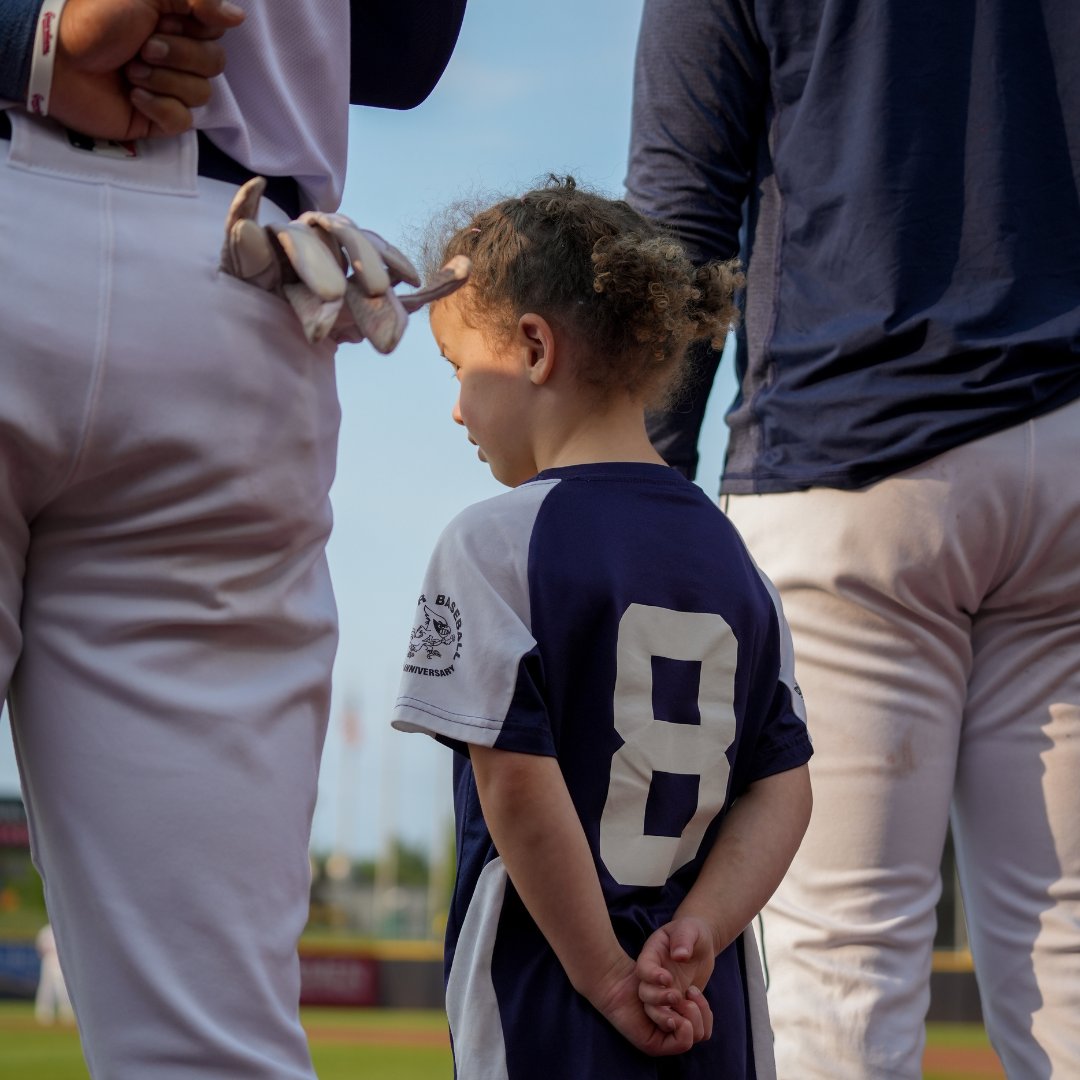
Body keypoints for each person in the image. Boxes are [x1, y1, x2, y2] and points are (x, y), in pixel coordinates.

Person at [1, 1, 466, 1076]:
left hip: (227, 256)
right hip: (236, 265)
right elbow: (403, 48)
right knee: (209, 1049)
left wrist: (32, 36)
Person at [625, 1, 1080, 1077]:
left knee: (838, 1005)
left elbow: (676, 219)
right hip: (1068, 451)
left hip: (848, 459)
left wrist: (640, 518)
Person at [391, 176, 813, 1078]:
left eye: (460, 371)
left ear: (534, 349)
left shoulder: (492, 544)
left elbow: (515, 785)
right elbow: (785, 790)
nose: (458, 409)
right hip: (707, 1013)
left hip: (550, 1010)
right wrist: (699, 928)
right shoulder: (739, 564)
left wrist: (611, 979)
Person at [34, 922, 75, 1025]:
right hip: (48, 958)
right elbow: (39, 947)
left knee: (62, 987)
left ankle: (66, 1013)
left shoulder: (63, 928)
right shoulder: (45, 931)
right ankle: (44, 1013)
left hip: (60, 959)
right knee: (46, 987)